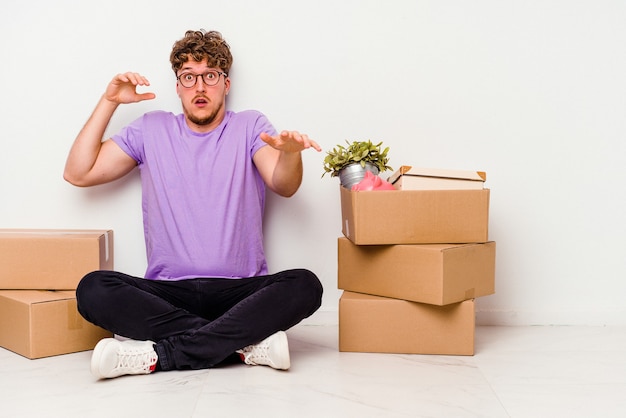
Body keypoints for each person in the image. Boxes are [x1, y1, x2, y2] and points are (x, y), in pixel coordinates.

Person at [63, 29, 323, 379]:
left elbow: (284, 184)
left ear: (225, 84)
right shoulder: (150, 130)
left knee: (305, 285)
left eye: (210, 76)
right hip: (169, 294)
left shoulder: (249, 126)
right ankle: (242, 343)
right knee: (92, 289)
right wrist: (109, 101)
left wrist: (291, 156)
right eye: (189, 77)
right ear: (178, 86)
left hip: (239, 292)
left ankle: (159, 356)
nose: (199, 87)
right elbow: (79, 173)